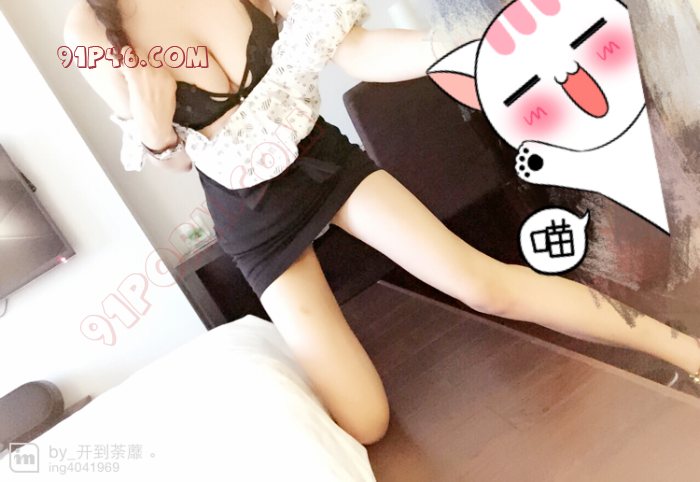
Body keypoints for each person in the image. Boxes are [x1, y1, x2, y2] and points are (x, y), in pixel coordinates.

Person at [64, 0, 700, 446]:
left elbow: (357, 50)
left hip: (320, 159)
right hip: (250, 214)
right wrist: (154, 132)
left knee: (485, 285)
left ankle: (684, 349)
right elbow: (174, 159)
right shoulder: (90, 29)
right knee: (366, 422)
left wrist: (468, 48)